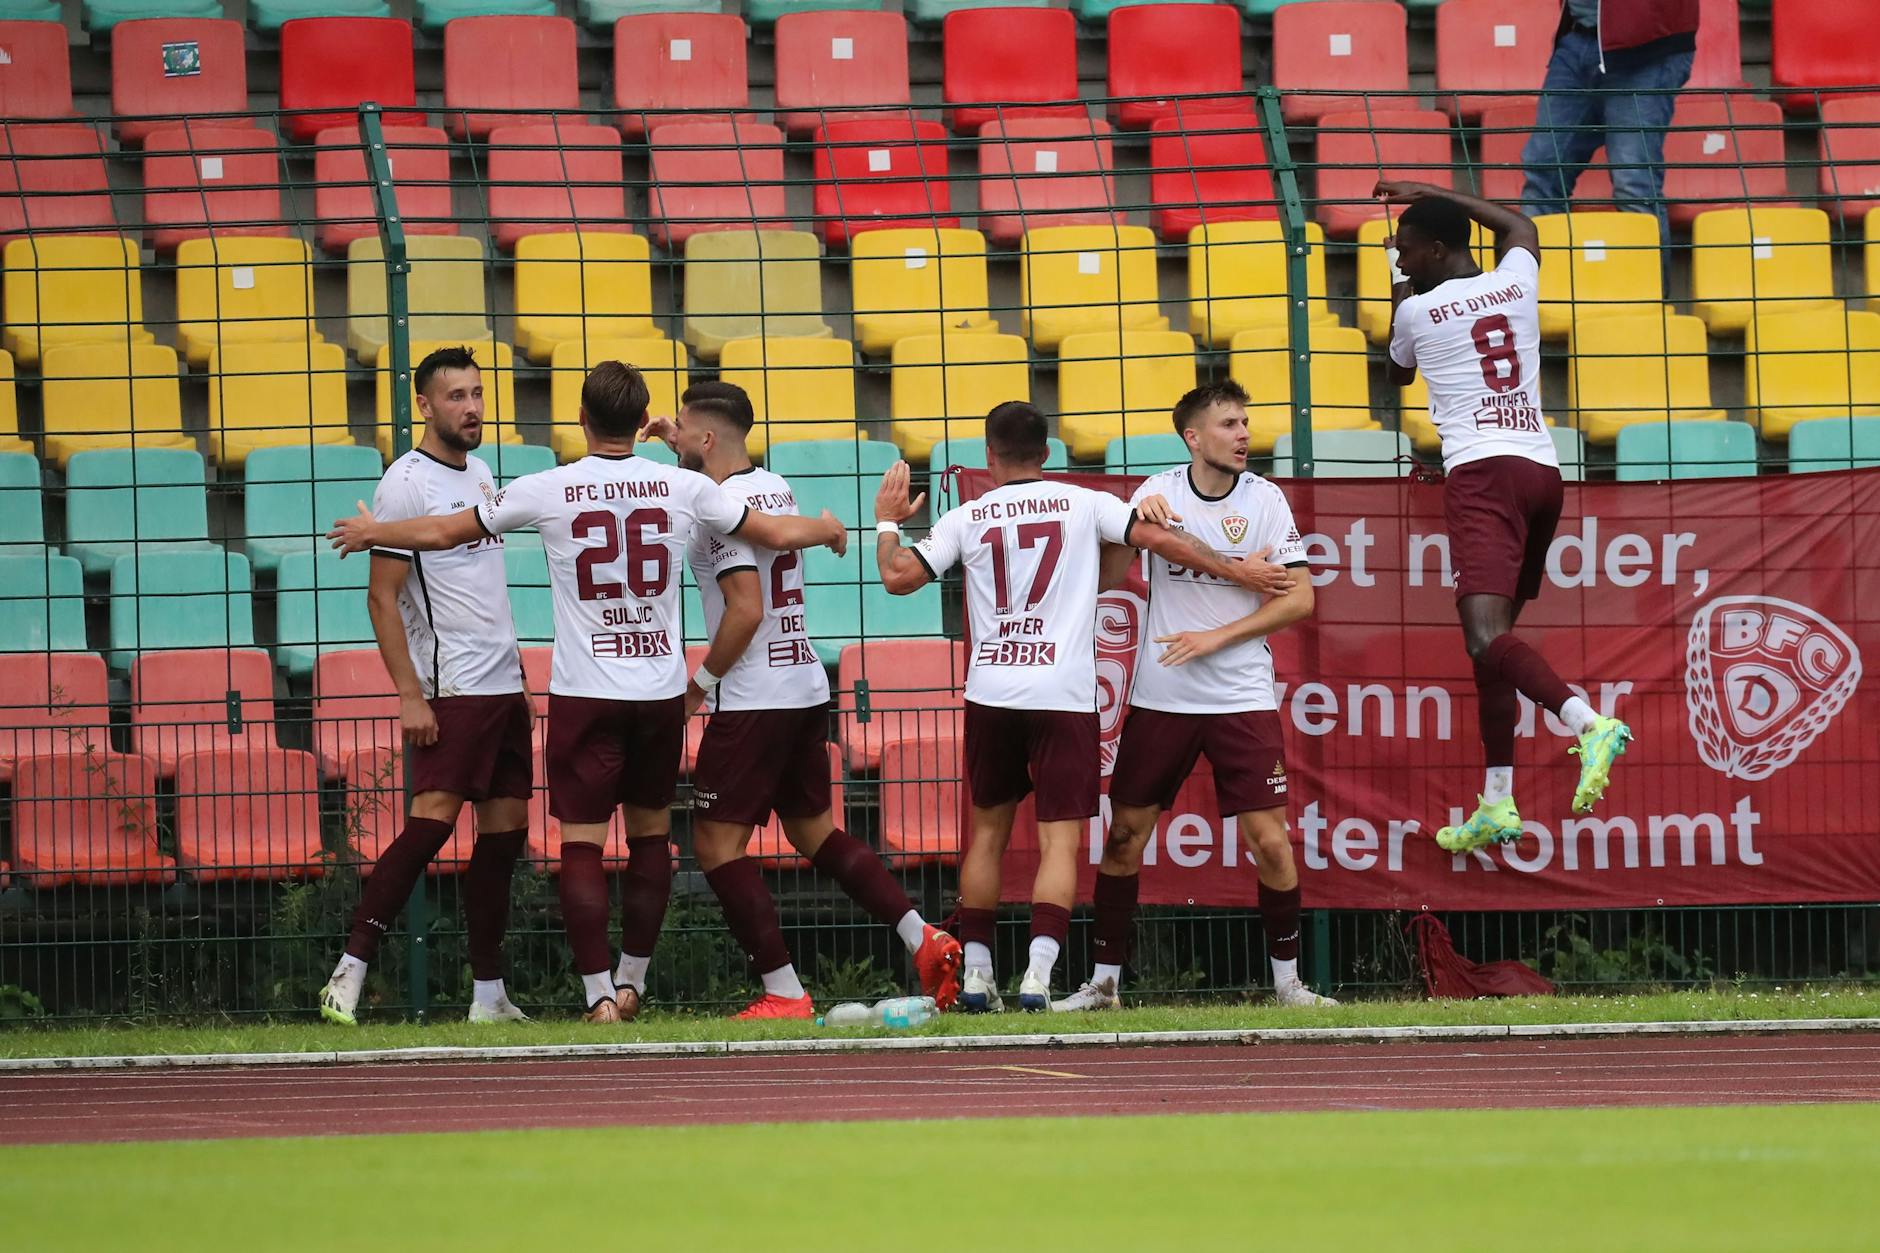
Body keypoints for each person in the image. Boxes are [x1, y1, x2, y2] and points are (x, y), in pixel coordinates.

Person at [328, 361, 848, 1023]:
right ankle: (632, 982)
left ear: (579, 419)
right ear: (641, 419)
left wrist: (375, 532)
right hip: (659, 689)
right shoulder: (683, 483)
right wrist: (829, 529)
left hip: (585, 690)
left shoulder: (547, 486)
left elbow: (442, 531)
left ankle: (597, 993)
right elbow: (772, 532)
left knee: (581, 842)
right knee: (653, 836)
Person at [873, 401, 1294, 1011]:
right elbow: (1159, 539)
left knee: (987, 836)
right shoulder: (1084, 501)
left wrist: (888, 521)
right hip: (1062, 695)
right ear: (1048, 454)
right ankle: (1038, 979)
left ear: (989, 456)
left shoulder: (968, 514)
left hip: (992, 691)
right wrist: (1237, 571)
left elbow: (896, 577)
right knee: (1059, 844)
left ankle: (977, 977)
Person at [644, 382, 964, 1019]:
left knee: (714, 846)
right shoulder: (774, 487)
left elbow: (744, 611)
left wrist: (695, 691)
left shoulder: (715, 510)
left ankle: (784, 992)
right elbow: (728, 475)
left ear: (706, 439)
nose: (676, 436)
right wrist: (673, 437)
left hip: (753, 695)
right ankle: (923, 938)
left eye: (684, 428)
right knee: (816, 830)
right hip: (804, 684)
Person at [1058, 381, 1333, 1013]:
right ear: (1194, 437)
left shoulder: (1266, 500)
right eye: (1230, 424)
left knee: (1270, 842)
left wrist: (1218, 637)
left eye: (1246, 422)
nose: (1244, 434)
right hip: (1164, 694)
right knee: (1125, 836)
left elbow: (1300, 597)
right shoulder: (1155, 494)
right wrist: (1129, 533)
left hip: (1241, 694)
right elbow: (1107, 577)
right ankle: (1104, 984)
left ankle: (1289, 985)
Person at [1377, 179, 1632, 852]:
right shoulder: (1516, 282)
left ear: (1435, 249)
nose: (1401, 261)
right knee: (1491, 652)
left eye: (1406, 251)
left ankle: (1586, 722)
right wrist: (1430, 191)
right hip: (1542, 474)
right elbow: (1520, 226)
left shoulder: (1415, 312)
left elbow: (1397, 371)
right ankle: (1496, 800)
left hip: (1484, 475)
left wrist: (1395, 288)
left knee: (1487, 636)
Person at [319, 346, 532, 1028]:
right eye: (455, 396)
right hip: (456, 684)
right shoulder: (404, 484)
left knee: (503, 836)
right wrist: (410, 692)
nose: (471, 406)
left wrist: (517, 677)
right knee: (428, 826)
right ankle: (348, 972)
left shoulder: (481, 471)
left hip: (502, 684)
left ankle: (489, 995)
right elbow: (383, 599)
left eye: (476, 393)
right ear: (423, 405)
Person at [1519, 0, 1698, 245]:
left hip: (1647, 49)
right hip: (1578, 36)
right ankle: (1535, 280)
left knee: (1634, 184)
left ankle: (1648, 284)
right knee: (1544, 169)